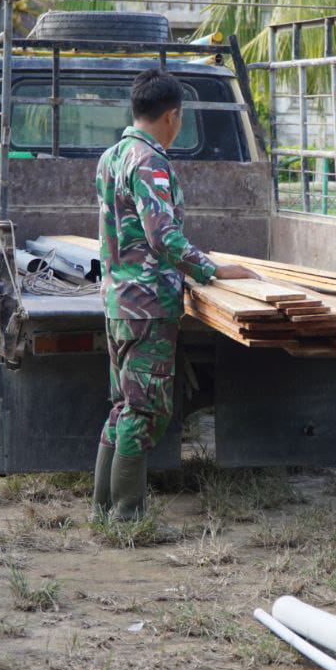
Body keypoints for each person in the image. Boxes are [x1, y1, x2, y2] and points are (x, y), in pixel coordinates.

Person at [92, 67, 257, 521]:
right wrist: (214, 270)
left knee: (124, 405)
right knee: (144, 409)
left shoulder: (111, 157)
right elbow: (163, 236)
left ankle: (104, 509)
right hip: (147, 304)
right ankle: (126, 516)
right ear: (172, 116)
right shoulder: (150, 162)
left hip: (119, 300)